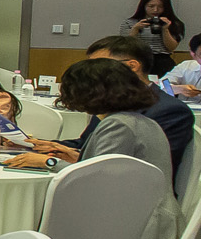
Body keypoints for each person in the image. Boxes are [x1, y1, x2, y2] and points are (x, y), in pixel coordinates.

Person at [8, 59, 178, 239]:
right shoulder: (138, 121)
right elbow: (116, 170)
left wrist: (47, 162)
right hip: (146, 222)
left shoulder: (118, 125)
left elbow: (97, 181)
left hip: (137, 232)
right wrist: (75, 156)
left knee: (35, 238)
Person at [78, 34, 192, 169]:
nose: (93, 72)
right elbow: (84, 143)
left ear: (132, 66)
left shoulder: (170, 110)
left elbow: (156, 164)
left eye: (100, 65)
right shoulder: (110, 99)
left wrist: (74, 160)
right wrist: (50, 147)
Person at [124, 0, 185, 76]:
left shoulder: (173, 23)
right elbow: (125, 45)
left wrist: (165, 29)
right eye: (151, 6)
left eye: (160, 7)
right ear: (143, 6)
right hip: (138, 59)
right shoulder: (130, 22)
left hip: (162, 61)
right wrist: (135, 29)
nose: (155, 10)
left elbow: (171, 48)